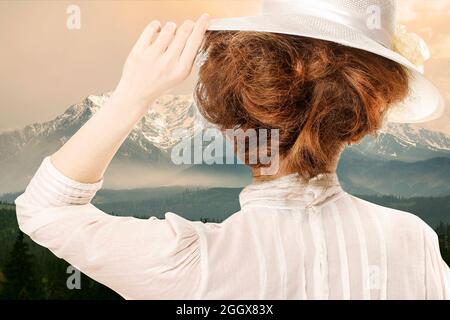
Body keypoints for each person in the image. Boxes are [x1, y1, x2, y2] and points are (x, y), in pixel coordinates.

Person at [15, 1, 449, 299]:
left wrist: (132, 94)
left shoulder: (192, 265)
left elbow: (46, 211)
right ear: (361, 120)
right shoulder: (417, 245)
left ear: (230, 120)